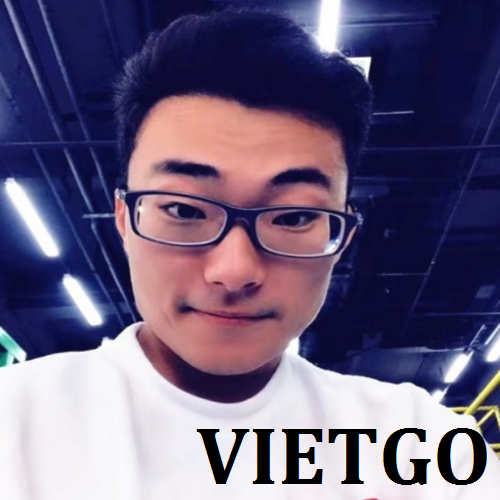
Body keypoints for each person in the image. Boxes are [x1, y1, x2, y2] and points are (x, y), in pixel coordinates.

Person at [0, 8, 499, 500]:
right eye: (183, 209)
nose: (234, 270)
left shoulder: (418, 444)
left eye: (294, 217)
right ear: (124, 219)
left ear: (343, 235)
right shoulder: (15, 424)